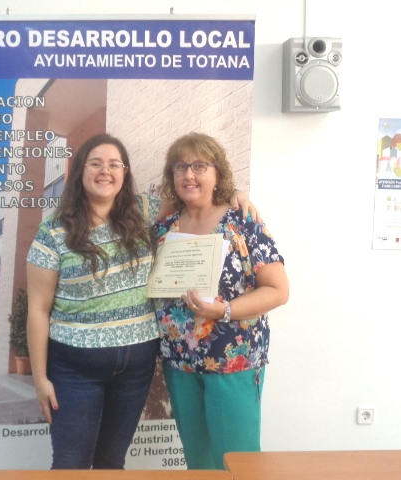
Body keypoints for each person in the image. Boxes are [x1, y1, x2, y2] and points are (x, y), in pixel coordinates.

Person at [26, 133, 258, 470]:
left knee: (111, 462)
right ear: (79, 171)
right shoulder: (54, 231)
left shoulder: (144, 211)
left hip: (134, 368)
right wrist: (39, 378)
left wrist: (235, 194)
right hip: (74, 369)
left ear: (124, 172)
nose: (105, 171)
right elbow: (37, 310)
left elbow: (195, 194)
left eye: (114, 164)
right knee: (70, 463)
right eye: (95, 163)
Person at [154, 132, 289, 470]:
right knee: (198, 463)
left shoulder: (243, 222)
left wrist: (223, 310)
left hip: (233, 363)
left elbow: (278, 290)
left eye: (200, 166)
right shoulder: (163, 227)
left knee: (237, 464)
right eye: (180, 167)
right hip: (179, 363)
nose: (189, 175)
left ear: (218, 174)